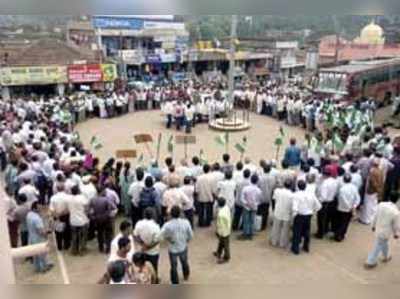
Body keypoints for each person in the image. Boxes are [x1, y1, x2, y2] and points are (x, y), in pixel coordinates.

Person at [365, 193, 400, 269]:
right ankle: (370, 262)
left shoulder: (381, 204)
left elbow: (375, 215)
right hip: (385, 232)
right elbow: (396, 226)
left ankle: (386, 256)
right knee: (377, 246)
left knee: (384, 243)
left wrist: (373, 225)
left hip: (378, 228)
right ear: (397, 200)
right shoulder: (396, 212)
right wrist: (396, 234)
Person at [161, 206, 193, 284]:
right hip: (183, 246)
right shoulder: (186, 222)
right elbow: (191, 235)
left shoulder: (167, 225)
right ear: (180, 213)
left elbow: (161, 236)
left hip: (173, 249)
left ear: (171, 214)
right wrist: (186, 240)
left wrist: (168, 239)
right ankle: (186, 275)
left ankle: (175, 281)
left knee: (173, 266)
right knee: (184, 262)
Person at [291, 180, 322, 255]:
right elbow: (319, 206)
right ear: (305, 186)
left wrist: (293, 217)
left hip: (299, 215)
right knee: (307, 231)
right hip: (308, 215)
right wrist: (312, 211)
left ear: (298, 186)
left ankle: (296, 248)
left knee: (297, 232)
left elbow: (294, 208)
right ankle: (306, 246)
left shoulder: (296, 195)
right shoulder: (311, 194)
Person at [134, 208, 161, 283]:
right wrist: (149, 247)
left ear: (144, 214)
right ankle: (154, 282)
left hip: (142, 251)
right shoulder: (156, 226)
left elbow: (136, 236)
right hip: (153, 252)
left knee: (142, 267)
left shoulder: (139, 224)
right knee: (153, 268)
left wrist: (142, 244)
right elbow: (157, 240)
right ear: (153, 215)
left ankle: (143, 280)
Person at [26, 201, 53, 273]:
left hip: (32, 237)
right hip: (39, 239)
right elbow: (41, 232)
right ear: (35, 209)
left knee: (36, 255)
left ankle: (37, 267)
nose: (41, 210)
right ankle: (43, 268)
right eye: (39, 208)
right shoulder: (37, 219)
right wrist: (48, 232)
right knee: (42, 254)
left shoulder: (29, 214)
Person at [90, 186, 118, 254]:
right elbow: (114, 207)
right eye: (104, 191)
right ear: (102, 191)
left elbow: (90, 210)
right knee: (108, 234)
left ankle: (101, 247)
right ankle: (108, 248)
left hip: (98, 219)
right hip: (107, 219)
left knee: (100, 234)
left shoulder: (93, 199)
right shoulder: (107, 200)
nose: (105, 192)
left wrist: (93, 217)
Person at [334, 174, 361, 242]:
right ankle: (342, 234)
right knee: (346, 222)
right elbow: (357, 198)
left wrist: (350, 207)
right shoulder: (354, 188)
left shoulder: (342, 189)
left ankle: (338, 235)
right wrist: (354, 206)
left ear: (343, 180)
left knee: (340, 222)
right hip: (350, 209)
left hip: (342, 208)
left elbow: (342, 199)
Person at [315, 168, 339, 239]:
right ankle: (326, 230)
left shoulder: (325, 184)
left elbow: (323, 197)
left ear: (324, 175)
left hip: (324, 203)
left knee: (321, 219)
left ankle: (320, 233)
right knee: (328, 218)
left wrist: (318, 202)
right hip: (332, 201)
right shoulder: (334, 181)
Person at [67, 185, 90, 256]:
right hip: (82, 220)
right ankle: (82, 250)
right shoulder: (82, 198)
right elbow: (87, 207)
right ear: (78, 191)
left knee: (74, 236)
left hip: (73, 220)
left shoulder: (69, 199)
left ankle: (74, 250)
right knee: (83, 236)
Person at [270, 180, 294, 248]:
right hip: (286, 213)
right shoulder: (292, 195)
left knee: (275, 228)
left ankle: (274, 241)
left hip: (278, 211)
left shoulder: (277, 191)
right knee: (285, 229)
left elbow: (274, 199)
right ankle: (282, 243)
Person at [360, 159, 384, 225]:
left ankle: (366, 220)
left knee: (368, 205)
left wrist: (376, 189)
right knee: (374, 205)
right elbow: (382, 181)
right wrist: (379, 190)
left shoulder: (372, 171)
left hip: (371, 191)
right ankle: (373, 219)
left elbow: (373, 182)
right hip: (376, 191)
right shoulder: (380, 170)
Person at [49, 184, 71, 251]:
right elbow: (69, 208)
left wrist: (56, 215)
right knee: (66, 231)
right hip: (66, 216)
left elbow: (51, 209)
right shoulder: (68, 197)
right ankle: (66, 245)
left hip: (56, 216)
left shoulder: (53, 197)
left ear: (57, 189)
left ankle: (59, 246)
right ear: (64, 188)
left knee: (58, 232)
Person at [239, 174, 261, 240]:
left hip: (246, 207)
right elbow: (259, 200)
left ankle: (246, 233)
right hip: (254, 207)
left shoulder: (245, 188)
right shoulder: (258, 190)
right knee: (252, 220)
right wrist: (255, 204)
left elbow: (242, 198)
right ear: (257, 181)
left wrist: (246, 203)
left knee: (246, 220)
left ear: (250, 180)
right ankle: (251, 234)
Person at [214, 198, 231, 264]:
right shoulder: (226, 207)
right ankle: (218, 252)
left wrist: (218, 231)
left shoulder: (221, 214)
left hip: (223, 231)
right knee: (221, 242)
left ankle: (226, 257)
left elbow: (220, 224)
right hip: (227, 229)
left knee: (225, 244)